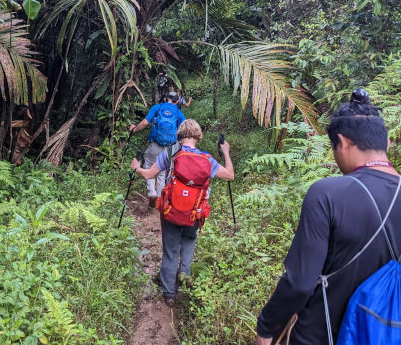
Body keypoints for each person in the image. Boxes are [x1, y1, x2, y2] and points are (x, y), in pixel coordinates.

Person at [256, 89, 401, 345]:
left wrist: (267, 327)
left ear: (343, 142)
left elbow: (299, 283)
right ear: (387, 143)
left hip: (320, 336)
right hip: (384, 333)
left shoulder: (326, 193)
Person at [131, 119, 234, 305]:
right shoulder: (206, 158)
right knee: (188, 241)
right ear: (198, 136)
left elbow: (148, 174)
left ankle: (169, 295)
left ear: (180, 134)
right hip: (194, 212)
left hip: (171, 209)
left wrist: (137, 168)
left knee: (170, 250)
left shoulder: (169, 152)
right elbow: (230, 176)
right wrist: (225, 152)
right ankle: (184, 275)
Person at [129, 92, 186, 207]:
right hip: (170, 148)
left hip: (155, 144)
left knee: (148, 166)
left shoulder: (157, 108)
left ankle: (151, 192)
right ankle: (159, 200)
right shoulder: (179, 113)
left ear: (165, 99)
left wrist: (134, 130)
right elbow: (183, 132)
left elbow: (145, 123)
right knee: (162, 172)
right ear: (177, 101)